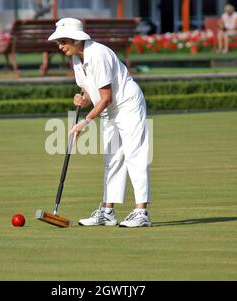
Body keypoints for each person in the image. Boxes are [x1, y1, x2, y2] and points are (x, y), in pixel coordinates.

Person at [47, 18, 152, 227]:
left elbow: (106, 97)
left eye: (63, 41)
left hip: (127, 104)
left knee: (134, 155)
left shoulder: (98, 54)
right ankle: (107, 212)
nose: (60, 46)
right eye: (58, 42)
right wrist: (82, 100)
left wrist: (84, 122)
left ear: (77, 39)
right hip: (110, 109)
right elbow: (90, 92)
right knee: (111, 158)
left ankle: (142, 213)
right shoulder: (77, 58)